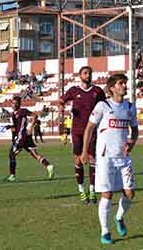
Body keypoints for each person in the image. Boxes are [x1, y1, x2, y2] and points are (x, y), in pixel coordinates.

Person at [83, 73, 139, 245]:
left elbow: (135, 130)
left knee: (130, 193)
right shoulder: (103, 105)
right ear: (112, 88)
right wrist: (85, 151)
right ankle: (105, 232)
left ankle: (119, 218)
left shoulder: (130, 107)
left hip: (123, 158)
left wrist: (131, 143)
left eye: (125, 83)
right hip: (105, 158)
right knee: (106, 194)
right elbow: (89, 128)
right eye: (121, 83)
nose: (124, 86)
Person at [59, 66, 106, 205]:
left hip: (92, 130)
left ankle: (92, 190)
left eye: (90, 73)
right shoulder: (74, 90)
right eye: (85, 73)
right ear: (80, 76)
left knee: (92, 158)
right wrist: (61, 106)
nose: (88, 75)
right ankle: (81, 191)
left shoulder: (97, 91)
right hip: (77, 131)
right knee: (78, 159)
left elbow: (105, 105)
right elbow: (62, 100)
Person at [5, 96, 55, 182]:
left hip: (22, 137)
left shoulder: (22, 111)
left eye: (14, 103)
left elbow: (34, 115)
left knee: (12, 153)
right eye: (12, 103)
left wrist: (31, 127)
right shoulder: (14, 114)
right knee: (34, 154)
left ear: (18, 104)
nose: (13, 104)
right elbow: (16, 127)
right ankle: (49, 166)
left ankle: (12, 176)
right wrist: (10, 127)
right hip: (24, 137)